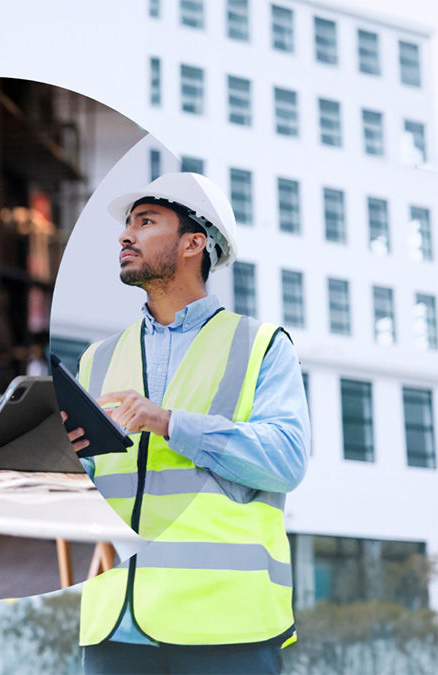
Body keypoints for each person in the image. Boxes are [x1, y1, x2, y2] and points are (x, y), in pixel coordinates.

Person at [64, 172, 310, 673]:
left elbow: (285, 459)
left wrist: (171, 422)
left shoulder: (262, 346)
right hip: (115, 620)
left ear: (194, 242)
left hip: (226, 623)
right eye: (128, 224)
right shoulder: (97, 359)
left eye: (146, 221)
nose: (125, 236)